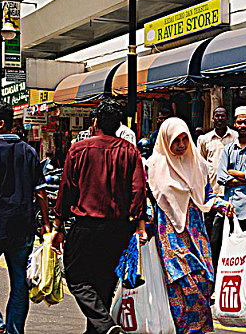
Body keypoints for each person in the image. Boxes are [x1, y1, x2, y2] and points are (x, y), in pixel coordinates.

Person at [51, 100, 147, 334]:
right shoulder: (130, 151)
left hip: (86, 226)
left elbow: (66, 190)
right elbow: (138, 191)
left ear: (94, 123)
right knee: (105, 283)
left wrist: (57, 225)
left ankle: (105, 327)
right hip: (119, 228)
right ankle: (99, 331)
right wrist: (139, 225)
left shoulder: (79, 149)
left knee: (75, 278)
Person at [146, 118, 235, 334]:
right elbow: (147, 202)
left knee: (203, 282)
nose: (181, 145)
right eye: (176, 140)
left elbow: (208, 195)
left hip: (196, 236)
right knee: (182, 283)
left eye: (185, 139)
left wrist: (223, 205)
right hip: (170, 237)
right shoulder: (153, 167)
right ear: (166, 140)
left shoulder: (198, 165)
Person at [0, 102, 50, 334]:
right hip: (23, 228)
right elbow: (41, 193)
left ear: (1, 123)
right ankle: (13, 331)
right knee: (19, 283)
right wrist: (46, 224)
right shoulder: (29, 151)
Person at [197, 107, 238, 275]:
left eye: (223, 116)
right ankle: (211, 271)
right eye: (217, 116)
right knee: (210, 237)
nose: (219, 118)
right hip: (210, 195)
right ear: (213, 118)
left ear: (227, 118)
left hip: (230, 195)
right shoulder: (205, 139)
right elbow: (200, 165)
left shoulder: (235, 137)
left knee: (225, 236)